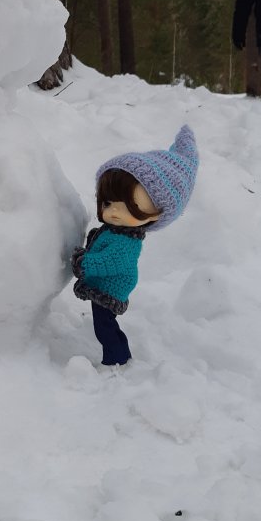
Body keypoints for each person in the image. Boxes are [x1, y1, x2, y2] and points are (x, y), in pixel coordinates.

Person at [71, 125, 198, 367]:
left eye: (129, 206)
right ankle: (118, 355)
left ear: (155, 215)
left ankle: (117, 359)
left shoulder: (126, 243)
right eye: (108, 202)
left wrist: (84, 264)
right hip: (103, 283)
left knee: (105, 326)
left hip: (111, 287)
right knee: (104, 324)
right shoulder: (116, 231)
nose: (114, 212)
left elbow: (111, 261)